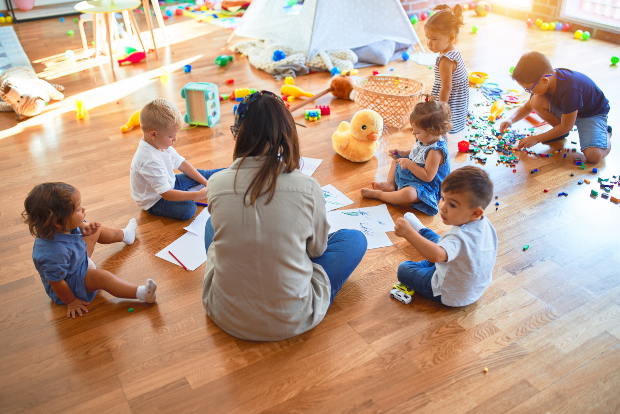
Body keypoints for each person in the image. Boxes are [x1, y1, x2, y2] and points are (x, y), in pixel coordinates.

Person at [201, 91, 367, 341]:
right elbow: (317, 249)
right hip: (294, 317)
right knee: (354, 240)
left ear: (238, 133)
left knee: (209, 227)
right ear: (288, 133)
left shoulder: (215, 183)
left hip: (225, 313)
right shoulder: (308, 186)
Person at [23, 182, 157, 318]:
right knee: (103, 278)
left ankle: (126, 235)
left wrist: (84, 227)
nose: (83, 208)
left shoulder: (59, 226)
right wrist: (72, 301)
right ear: (58, 222)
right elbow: (56, 282)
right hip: (71, 284)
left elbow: (79, 225)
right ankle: (143, 294)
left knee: (96, 230)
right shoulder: (52, 253)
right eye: (77, 210)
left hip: (77, 261)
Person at [394, 167, 497, 307]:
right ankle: (422, 231)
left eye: (452, 204)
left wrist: (408, 233)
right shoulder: (483, 223)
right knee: (442, 243)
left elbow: (436, 255)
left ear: (475, 213)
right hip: (472, 287)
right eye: (442, 198)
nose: (442, 207)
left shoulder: (458, 238)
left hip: (449, 292)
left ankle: (419, 235)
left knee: (404, 269)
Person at [501, 51, 611, 163]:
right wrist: (510, 120)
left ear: (544, 80)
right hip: (568, 112)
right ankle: (559, 133)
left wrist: (537, 138)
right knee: (535, 101)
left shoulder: (570, 90)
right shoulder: (546, 79)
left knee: (594, 156)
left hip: (591, 114)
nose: (528, 91)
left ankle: (605, 133)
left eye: (528, 88)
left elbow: (567, 126)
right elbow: (528, 107)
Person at [130, 98, 224, 221]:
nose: (175, 139)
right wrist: (198, 195)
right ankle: (191, 191)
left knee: (202, 174)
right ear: (153, 135)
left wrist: (206, 183)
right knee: (189, 209)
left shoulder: (162, 144)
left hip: (170, 182)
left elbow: (182, 164)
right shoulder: (149, 160)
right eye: (171, 136)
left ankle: (233, 171)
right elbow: (166, 194)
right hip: (156, 200)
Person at [361, 100, 451, 216]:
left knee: (409, 194)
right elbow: (418, 152)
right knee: (396, 161)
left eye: (417, 132)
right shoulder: (426, 138)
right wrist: (403, 153)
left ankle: (379, 195)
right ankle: (390, 184)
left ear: (433, 132)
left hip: (428, 186)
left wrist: (409, 164)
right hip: (417, 174)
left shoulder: (435, 151)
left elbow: (428, 176)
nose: (413, 133)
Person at [425, 4, 469, 133]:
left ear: (450, 38)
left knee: (441, 125)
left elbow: (447, 87)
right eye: (427, 38)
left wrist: (441, 108)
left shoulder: (446, 60)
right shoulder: (451, 50)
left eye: (434, 39)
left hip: (448, 98)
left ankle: (440, 144)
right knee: (441, 125)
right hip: (454, 95)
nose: (429, 43)